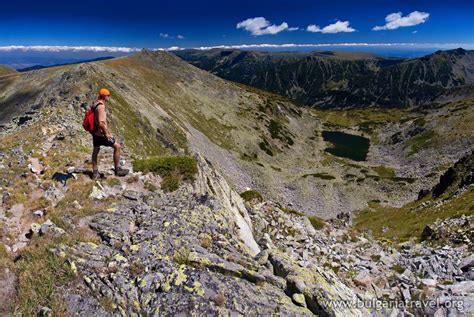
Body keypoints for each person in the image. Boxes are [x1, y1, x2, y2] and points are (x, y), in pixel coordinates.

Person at [90, 88, 129, 179]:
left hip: (95, 132)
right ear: (104, 96)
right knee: (117, 146)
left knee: (95, 150)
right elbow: (101, 123)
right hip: (101, 134)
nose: (109, 97)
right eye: (108, 95)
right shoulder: (101, 107)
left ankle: (95, 173)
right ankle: (117, 169)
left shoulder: (95, 103)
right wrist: (106, 134)